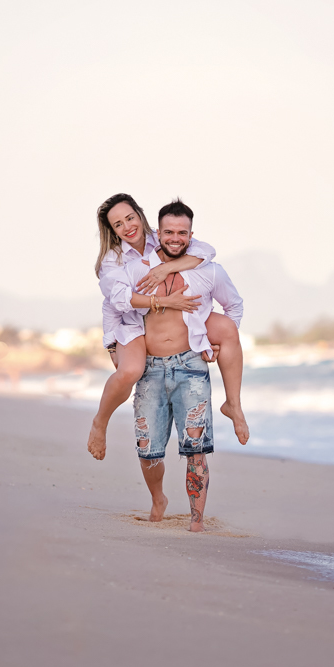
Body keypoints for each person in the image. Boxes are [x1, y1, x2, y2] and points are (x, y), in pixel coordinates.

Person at [111, 198, 245, 532]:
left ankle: (196, 522)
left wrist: (214, 341)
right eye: (168, 232)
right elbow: (115, 303)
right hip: (150, 368)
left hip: (190, 365)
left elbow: (234, 307)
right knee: (148, 450)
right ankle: (158, 498)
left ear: (191, 235)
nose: (175, 238)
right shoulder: (138, 269)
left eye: (182, 233)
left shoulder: (208, 271)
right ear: (157, 233)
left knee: (196, 449)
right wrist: (112, 346)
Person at [87, 194, 249, 461]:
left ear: (140, 214)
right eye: (118, 224)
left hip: (181, 318)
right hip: (135, 322)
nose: (127, 227)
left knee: (227, 329)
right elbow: (116, 301)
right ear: (112, 230)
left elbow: (206, 252)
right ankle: (99, 423)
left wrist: (167, 268)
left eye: (130, 218)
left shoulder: (163, 235)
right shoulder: (113, 260)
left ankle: (234, 404)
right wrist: (112, 345)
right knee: (130, 371)